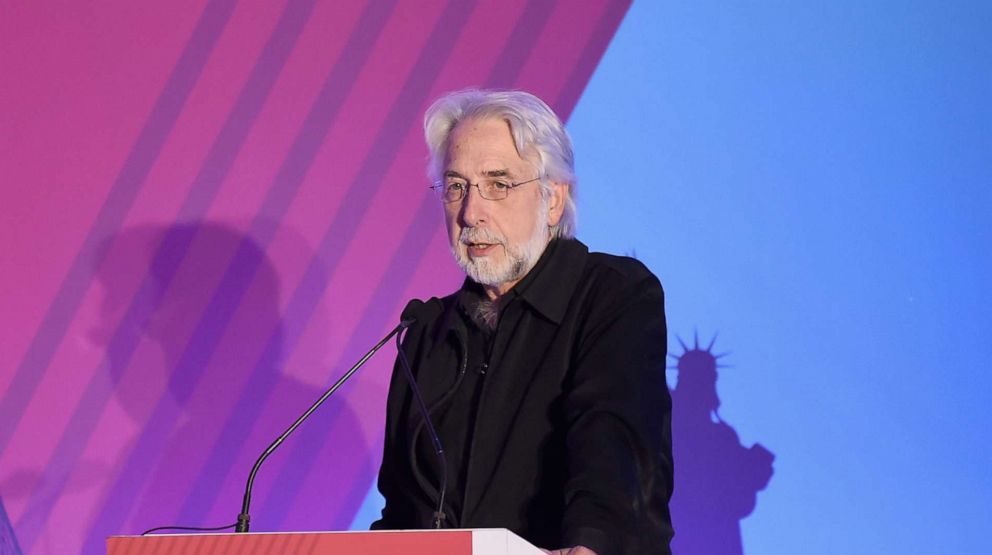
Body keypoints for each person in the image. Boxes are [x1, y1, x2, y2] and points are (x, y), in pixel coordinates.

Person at [371, 89, 673, 555]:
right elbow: (399, 515)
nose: (471, 212)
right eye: (456, 187)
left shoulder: (612, 296)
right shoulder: (428, 333)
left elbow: (613, 447)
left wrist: (591, 544)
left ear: (553, 199)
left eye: (498, 183)